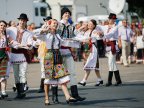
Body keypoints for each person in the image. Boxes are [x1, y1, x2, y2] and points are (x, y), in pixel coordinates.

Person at [36, 19, 77, 105]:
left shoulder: (58, 36)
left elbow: (65, 42)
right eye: (54, 23)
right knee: (48, 79)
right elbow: (36, 35)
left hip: (58, 56)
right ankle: (47, 98)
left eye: (56, 23)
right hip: (49, 57)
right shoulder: (46, 35)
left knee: (62, 77)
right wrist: (44, 30)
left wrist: (79, 42)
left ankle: (68, 97)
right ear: (50, 25)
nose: (56, 24)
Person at [57, 7, 86, 101]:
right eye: (65, 13)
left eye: (68, 13)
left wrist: (84, 39)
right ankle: (54, 96)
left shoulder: (70, 26)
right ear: (62, 14)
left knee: (72, 73)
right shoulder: (57, 24)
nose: (67, 14)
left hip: (67, 52)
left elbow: (76, 35)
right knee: (58, 74)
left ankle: (75, 94)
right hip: (58, 53)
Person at [6, 13, 33, 98]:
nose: (22, 22)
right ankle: (19, 92)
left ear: (26, 22)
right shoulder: (11, 29)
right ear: (19, 21)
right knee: (16, 75)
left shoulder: (28, 33)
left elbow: (30, 43)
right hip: (14, 55)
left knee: (23, 73)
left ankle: (23, 92)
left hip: (23, 55)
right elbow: (3, 30)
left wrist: (29, 45)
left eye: (24, 20)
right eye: (21, 20)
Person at [77, 19, 103, 86]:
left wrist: (100, 34)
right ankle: (99, 79)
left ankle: (84, 80)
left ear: (94, 25)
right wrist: (82, 26)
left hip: (92, 49)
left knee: (89, 64)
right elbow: (77, 33)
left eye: (91, 24)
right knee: (94, 66)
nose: (89, 25)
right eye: (88, 24)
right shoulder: (85, 31)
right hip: (86, 49)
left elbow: (99, 37)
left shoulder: (94, 31)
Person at [102, 13, 122, 86]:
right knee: (112, 63)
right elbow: (100, 28)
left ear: (114, 20)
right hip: (107, 45)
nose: (111, 20)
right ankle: (118, 80)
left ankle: (109, 81)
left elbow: (111, 34)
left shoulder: (115, 27)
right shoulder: (106, 26)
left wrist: (103, 35)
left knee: (110, 62)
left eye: (113, 19)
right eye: (110, 19)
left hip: (113, 44)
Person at [0, 20, 9, 99]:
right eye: (1, 25)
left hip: (4, 56)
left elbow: (12, 43)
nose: (2, 27)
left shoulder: (6, 36)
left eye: (4, 25)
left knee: (3, 75)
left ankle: (3, 91)